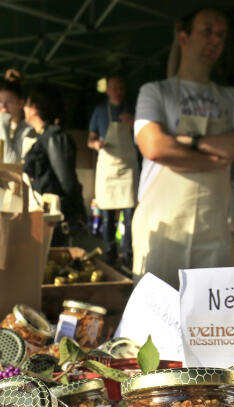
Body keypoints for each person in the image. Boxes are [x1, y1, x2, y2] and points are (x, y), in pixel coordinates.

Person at [132, 7, 234, 286]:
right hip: (161, 227)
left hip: (212, 230)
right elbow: (154, 146)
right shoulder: (155, 92)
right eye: (206, 31)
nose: (215, 40)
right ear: (183, 36)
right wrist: (217, 156)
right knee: (153, 319)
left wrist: (190, 142)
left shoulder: (231, 96)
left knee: (204, 321)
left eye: (221, 35)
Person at [88, 74, 138, 267]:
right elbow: (90, 138)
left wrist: (134, 122)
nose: (117, 91)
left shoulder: (132, 109)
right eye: (114, 87)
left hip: (128, 167)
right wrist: (96, 144)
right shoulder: (100, 111)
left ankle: (128, 254)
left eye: (120, 87)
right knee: (107, 214)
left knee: (129, 214)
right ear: (108, 90)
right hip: (108, 166)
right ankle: (110, 252)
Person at [22, 83, 85, 233]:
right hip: (43, 214)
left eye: (27, 103)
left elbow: (67, 181)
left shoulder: (53, 137)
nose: (24, 108)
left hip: (55, 219)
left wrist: (77, 215)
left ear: (35, 108)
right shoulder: (43, 136)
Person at [0, 70, 35, 163]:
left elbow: (11, 162)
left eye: (9, 102)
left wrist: (1, 126)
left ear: (20, 103)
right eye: (0, 101)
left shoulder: (28, 130)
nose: (3, 106)